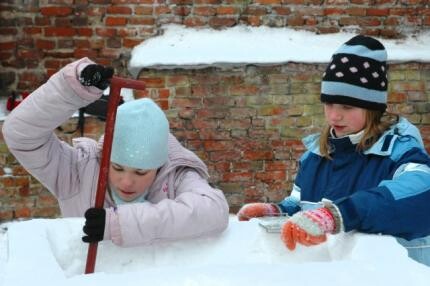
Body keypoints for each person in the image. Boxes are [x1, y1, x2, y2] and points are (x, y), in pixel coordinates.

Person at [237, 35, 430, 266]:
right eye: (329, 104)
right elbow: (301, 204)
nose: (334, 116)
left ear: (373, 108)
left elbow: (420, 193)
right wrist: (277, 211)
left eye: (347, 107)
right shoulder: (315, 157)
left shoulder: (400, 152)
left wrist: (337, 215)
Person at [2, 58, 229, 246]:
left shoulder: (176, 176)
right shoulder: (78, 171)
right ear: (106, 156)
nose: (127, 182)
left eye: (141, 172)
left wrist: (118, 224)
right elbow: (21, 134)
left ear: (159, 165)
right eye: (117, 167)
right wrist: (70, 90)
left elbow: (213, 211)